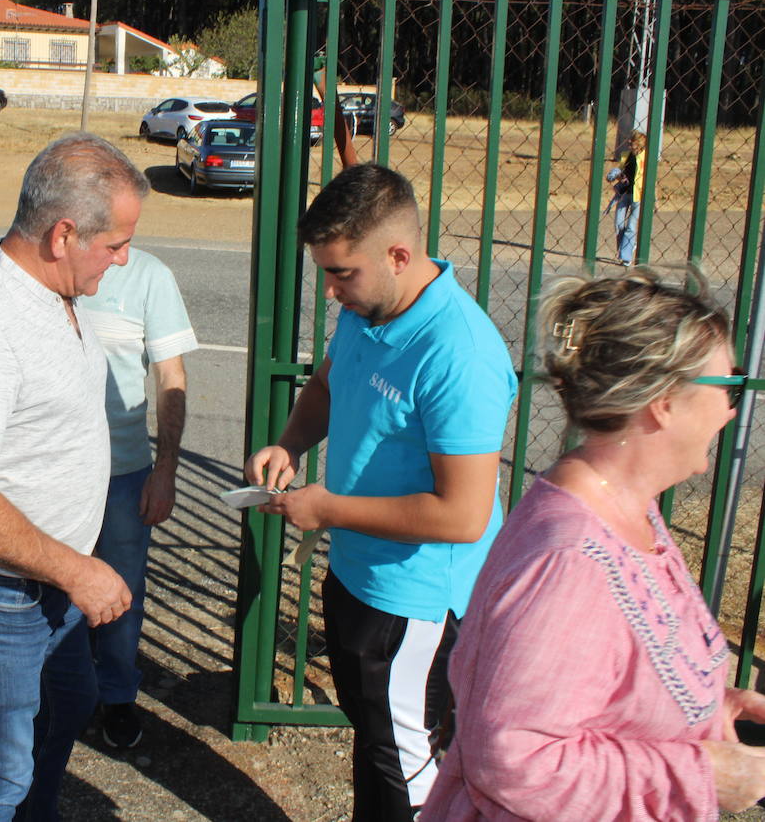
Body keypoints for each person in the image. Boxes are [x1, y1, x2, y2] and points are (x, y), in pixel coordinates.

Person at [421, 269, 765, 819]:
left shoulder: (628, 509)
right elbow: (514, 759)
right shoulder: (572, 561)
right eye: (725, 387)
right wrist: (700, 774)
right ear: (664, 401)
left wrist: (706, 711)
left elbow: (601, 687)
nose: (731, 409)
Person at [246, 163, 516, 820]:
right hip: (358, 575)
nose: (333, 292)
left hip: (417, 602)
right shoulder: (370, 309)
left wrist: (329, 508)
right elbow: (328, 387)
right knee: (376, 742)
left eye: (343, 273)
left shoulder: (460, 351)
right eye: (327, 274)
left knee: (407, 766)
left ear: (398, 254)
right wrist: (290, 444)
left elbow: (462, 515)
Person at [0, 132, 146, 820]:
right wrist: (76, 571)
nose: (124, 258)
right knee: (0, 769)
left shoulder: (53, 291)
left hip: (40, 582)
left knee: (67, 704)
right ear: (63, 234)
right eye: (115, 244)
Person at [77, 246, 197, 749]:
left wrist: (164, 470)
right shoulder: (47, 264)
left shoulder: (150, 274)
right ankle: (66, 690)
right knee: (50, 583)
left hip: (124, 471)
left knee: (123, 591)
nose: (123, 251)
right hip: (52, 471)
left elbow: (171, 376)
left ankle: (118, 695)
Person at [615, 130, 647, 266]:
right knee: (618, 224)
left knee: (631, 227)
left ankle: (626, 257)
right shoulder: (625, 156)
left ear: (638, 143)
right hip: (624, 194)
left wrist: (653, 200)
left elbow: (651, 180)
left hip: (638, 196)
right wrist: (619, 176)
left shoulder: (646, 158)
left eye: (632, 141)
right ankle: (626, 247)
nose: (629, 142)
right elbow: (620, 173)